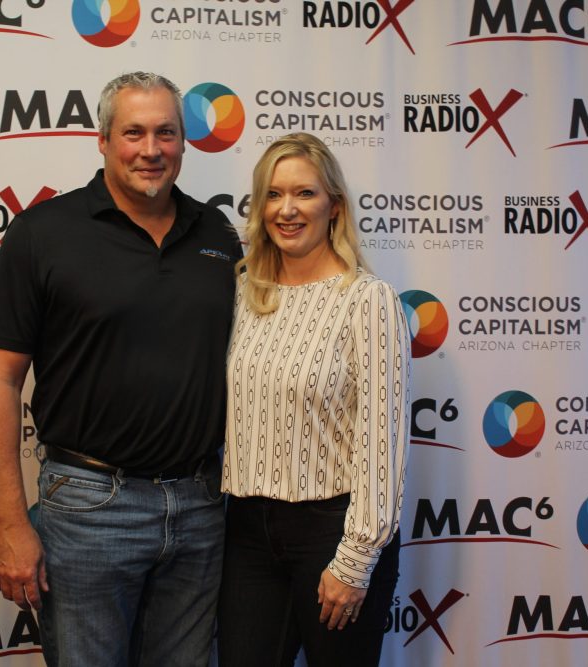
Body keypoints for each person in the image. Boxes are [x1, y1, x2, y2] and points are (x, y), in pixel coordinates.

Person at [0, 72, 241, 666]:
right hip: (89, 508)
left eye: (166, 133)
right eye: (133, 133)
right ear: (103, 140)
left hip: (200, 506)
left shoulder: (218, 235)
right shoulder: (43, 233)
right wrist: (10, 523)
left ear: (184, 141)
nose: (151, 150)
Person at [218, 133, 410, 666]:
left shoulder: (367, 299)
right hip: (247, 530)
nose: (287, 209)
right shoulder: (246, 293)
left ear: (335, 206)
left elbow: (384, 440)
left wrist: (355, 559)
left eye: (304, 193)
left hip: (334, 529)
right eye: (273, 194)